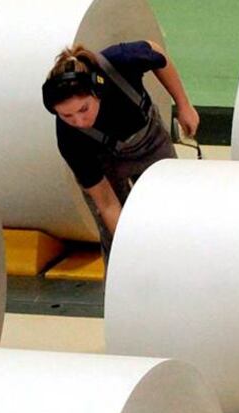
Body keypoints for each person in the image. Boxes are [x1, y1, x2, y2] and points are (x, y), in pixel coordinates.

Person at [42, 41, 198, 262]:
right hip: (106, 162)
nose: (79, 120)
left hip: (150, 143)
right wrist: (130, 250)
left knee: (172, 215)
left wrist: (183, 104)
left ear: (97, 89)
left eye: (83, 109)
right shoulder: (69, 139)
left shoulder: (120, 61)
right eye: (67, 116)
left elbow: (157, 53)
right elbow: (107, 204)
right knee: (115, 239)